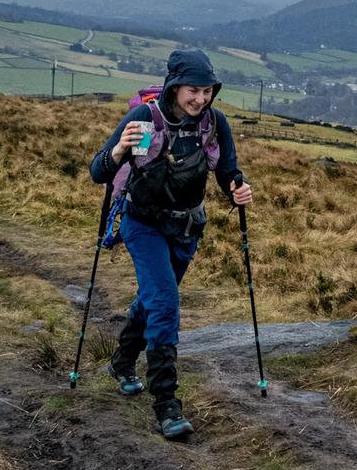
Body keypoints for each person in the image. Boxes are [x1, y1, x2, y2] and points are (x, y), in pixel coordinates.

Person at [89, 48, 253, 440]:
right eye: (193, 91)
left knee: (153, 299)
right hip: (142, 223)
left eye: (207, 91)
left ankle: (122, 361)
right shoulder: (144, 119)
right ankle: (167, 404)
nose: (201, 99)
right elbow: (99, 171)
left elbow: (227, 170)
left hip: (187, 227)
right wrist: (118, 151)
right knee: (164, 302)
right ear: (175, 87)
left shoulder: (215, 124)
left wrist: (237, 188)